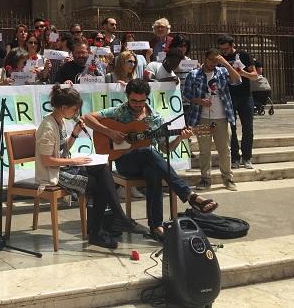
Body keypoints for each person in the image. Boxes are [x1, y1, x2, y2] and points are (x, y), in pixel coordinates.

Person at [84, 78, 219, 241]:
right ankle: (189, 195)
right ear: (127, 97)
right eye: (134, 100)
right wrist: (109, 132)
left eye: (142, 101)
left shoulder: (155, 118)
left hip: (147, 162)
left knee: (154, 170)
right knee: (147, 152)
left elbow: (165, 149)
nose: (137, 104)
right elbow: (87, 118)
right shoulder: (119, 111)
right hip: (125, 162)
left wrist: (180, 138)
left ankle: (157, 227)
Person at [35, 85, 146, 249]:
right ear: (64, 108)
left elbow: (62, 149)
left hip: (63, 168)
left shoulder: (60, 122)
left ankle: (109, 223)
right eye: (74, 110)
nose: (76, 114)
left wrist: (75, 133)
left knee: (102, 169)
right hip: (53, 174)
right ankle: (108, 225)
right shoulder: (48, 126)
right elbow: (46, 160)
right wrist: (74, 161)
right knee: (101, 184)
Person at [183, 49, 241, 191]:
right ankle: (205, 179)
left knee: (224, 150)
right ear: (205, 58)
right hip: (202, 117)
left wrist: (226, 63)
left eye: (216, 61)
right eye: (210, 60)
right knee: (204, 150)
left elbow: (237, 80)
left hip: (222, 116)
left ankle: (228, 179)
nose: (213, 63)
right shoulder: (194, 74)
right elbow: (186, 94)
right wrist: (199, 101)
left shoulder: (222, 71)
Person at [218, 34, 259, 169]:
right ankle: (235, 157)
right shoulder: (220, 58)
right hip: (228, 97)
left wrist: (242, 73)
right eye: (221, 49)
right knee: (232, 129)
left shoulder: (243, 55)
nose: (224, 51)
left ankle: (247, 157)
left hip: (245, 96)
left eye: (226, 49)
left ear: (232, 45)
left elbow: (254, 76)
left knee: (248, 127)